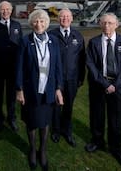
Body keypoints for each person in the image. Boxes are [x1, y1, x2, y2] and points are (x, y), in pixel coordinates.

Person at [84, 13, 121, 168]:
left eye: (110, 23)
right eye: (104, 23)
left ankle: (117, 149)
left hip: (119, 88)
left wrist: (116, 85)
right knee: (97, 116)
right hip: (99, 86)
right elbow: (90, 65)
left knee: (116, 120)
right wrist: (105, 84)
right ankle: (97, 141)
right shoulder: (93, 43)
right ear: (100, 24)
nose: (107, 26)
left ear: (117, 25)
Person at [16, 9, 63, 171]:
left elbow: (58, 67)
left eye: (42, 21)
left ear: (47, 23)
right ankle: (32, 149)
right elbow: (19, 67)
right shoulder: (25, 41)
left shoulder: (54, 41)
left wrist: (58, 88)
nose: (39, 24)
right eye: (36, 21)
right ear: (31, 23)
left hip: (48, 88)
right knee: (31, 121)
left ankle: (42, 150)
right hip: (30, 89)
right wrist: (19, 89)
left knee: (44, 121)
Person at [49, 8, 86, 147]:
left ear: (71, 19)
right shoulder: (51, 35)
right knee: (56, 106)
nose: (64, 19)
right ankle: (56, 131)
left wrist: (81, 77)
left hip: (72, 79)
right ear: (58, 19)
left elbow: (82, 59)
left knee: (69, 106)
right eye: (62, 16)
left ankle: (67, 132)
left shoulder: (78, 36)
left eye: (67, 16)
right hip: (56, 79)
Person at [0, 1, 23, 132]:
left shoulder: (17, 25)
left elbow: (21, 47)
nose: (5, 12)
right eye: (3, 9)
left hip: (13, 67)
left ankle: (11, 118)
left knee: (11, 95)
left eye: (8, 9)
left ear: (11, 10)